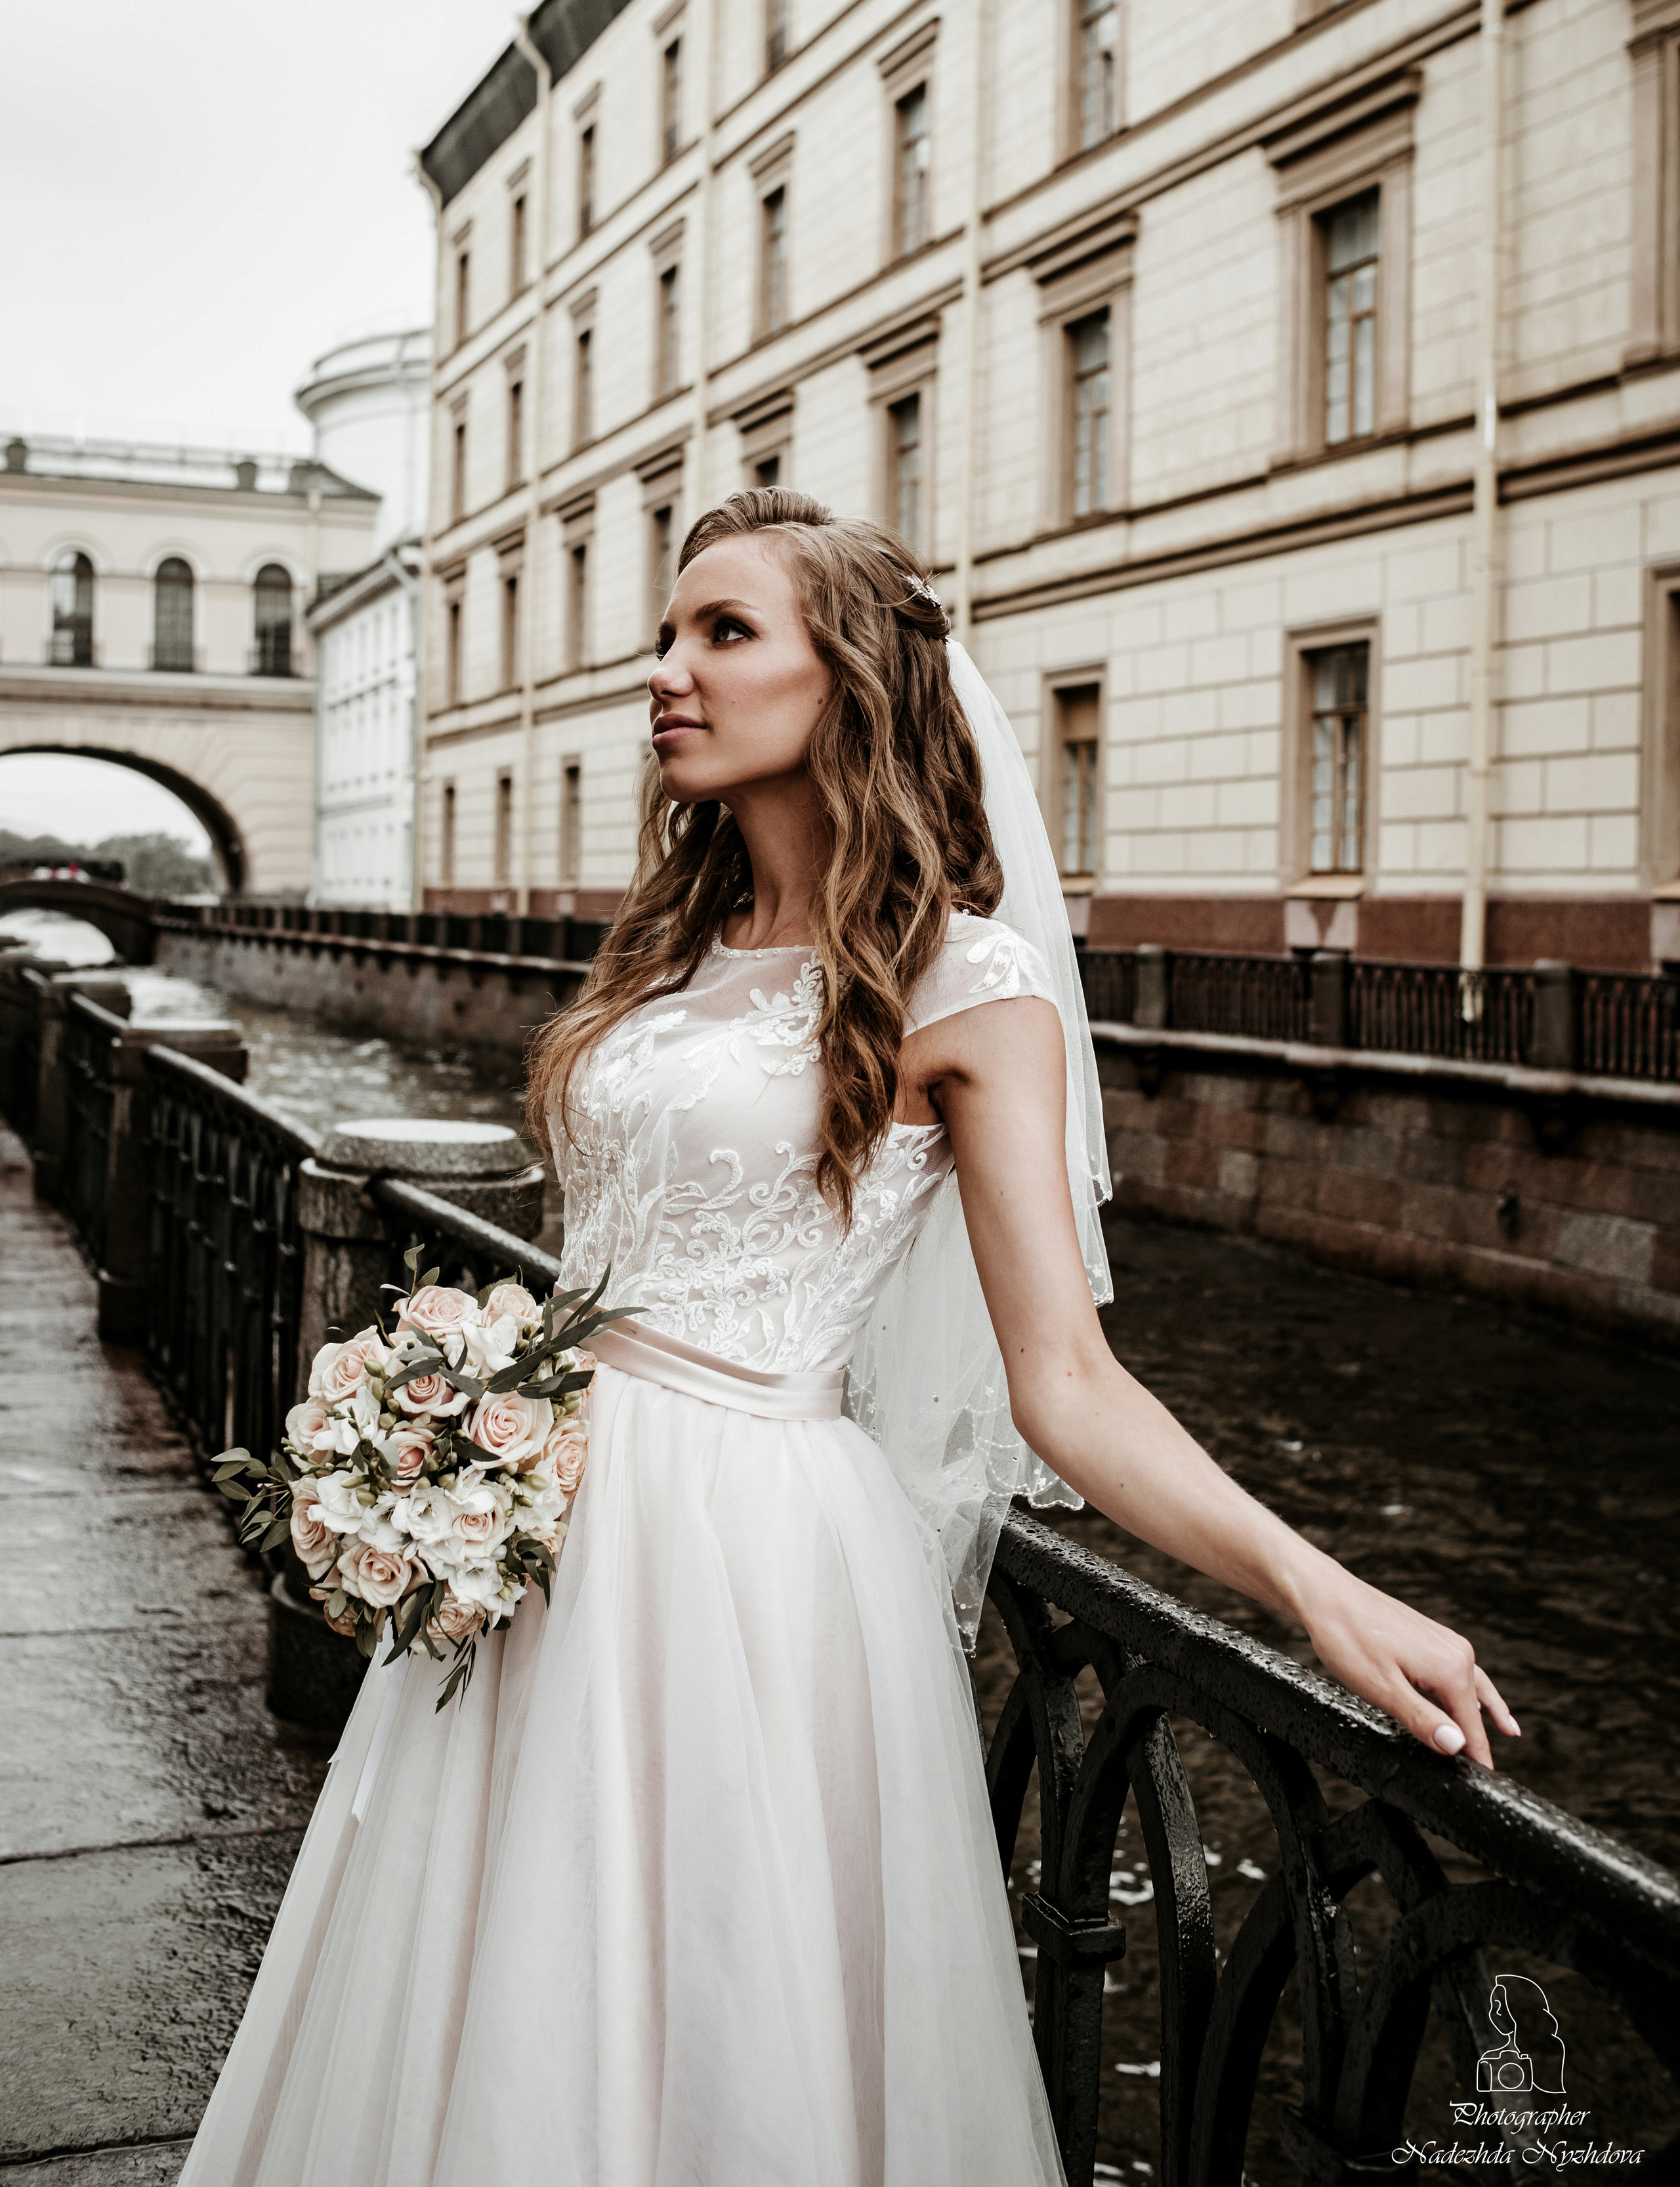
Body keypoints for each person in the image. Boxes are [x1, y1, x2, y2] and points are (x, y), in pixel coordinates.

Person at [179, 489, 1518, 2187]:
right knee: (492, 1984)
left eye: (723, 632)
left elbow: (1068, 1380)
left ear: (854, 680)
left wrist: (1318, 1589)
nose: (668, 670)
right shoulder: (675, 947)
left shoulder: (969, 986)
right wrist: (461, 1407)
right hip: (545, 1534)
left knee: (718, 2013)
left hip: (745, 1561)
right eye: (667, 633)